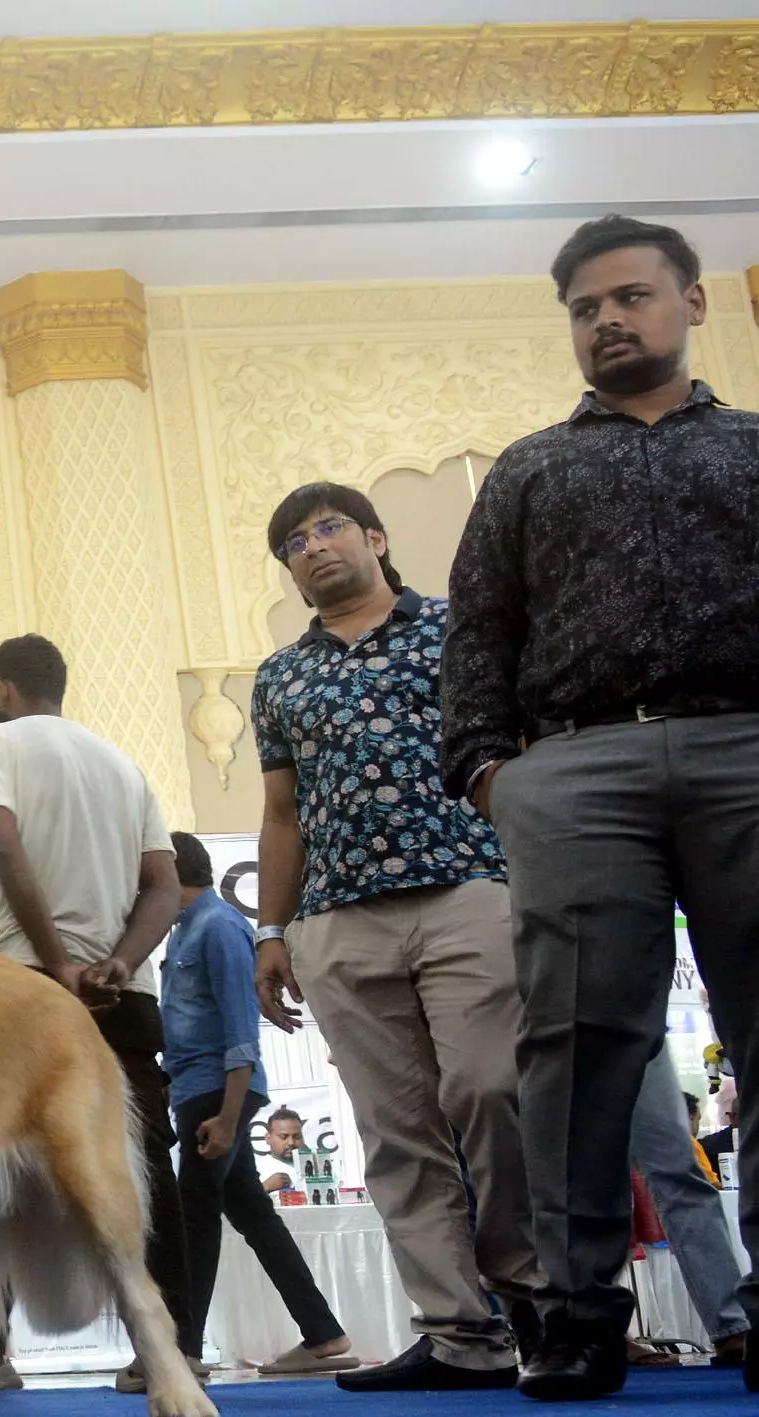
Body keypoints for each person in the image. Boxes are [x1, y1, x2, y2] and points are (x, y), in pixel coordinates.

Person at [442, 214, 759, 1400]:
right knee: (574, 1048)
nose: (608, 320)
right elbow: (478, 632)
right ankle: (577, 1313)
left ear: (692, 303)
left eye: (631, 296)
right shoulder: (530, 467)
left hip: (748, 746)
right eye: (585, 308)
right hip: (575, 772)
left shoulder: (753, 448)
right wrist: (490, 770)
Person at [251, 482, 536, 1392]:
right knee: (395, 1132)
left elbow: (519, 755)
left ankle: (531, 1290)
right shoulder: (279, 677)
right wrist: (270, 928)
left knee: (491, 1090)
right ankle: (458, 1332)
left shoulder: (461, 630)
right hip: (337, 919)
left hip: (467, 889)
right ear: (289, 572)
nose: (314, 546)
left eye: (330, 526)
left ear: (375, 536)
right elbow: (280, 814)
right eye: (294, 541)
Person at [0, 634, 185, 1394]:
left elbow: (3, 846)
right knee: (141, 1169)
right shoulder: (121, 763)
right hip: (122, 992)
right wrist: (116, 960)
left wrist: (54, 958)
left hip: (20, 985)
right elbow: (162, 886)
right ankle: (163, 1350)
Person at [162, 833, 354, 1376]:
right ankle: (322, 1333)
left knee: (192, 1217)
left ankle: (182, 1350)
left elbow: (242, 1026)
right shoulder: (184, 931)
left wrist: (228, 1112)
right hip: (199, 1087)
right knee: (252, 1214)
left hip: (217, 1090)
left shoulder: (219, 925)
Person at [626, 1054, 748, 1363]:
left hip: (638, 1028)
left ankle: (733, 1327)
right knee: (583, 1181)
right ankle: (594, 1330)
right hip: (555, 1025)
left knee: (680, 1172)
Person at [260, 1107, 306, 1197]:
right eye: (283, 1136)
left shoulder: (318, 1167)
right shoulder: (255, 1169)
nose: (291, 1142)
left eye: (297, 1136)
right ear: (268, 1138)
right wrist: (263, 1187)